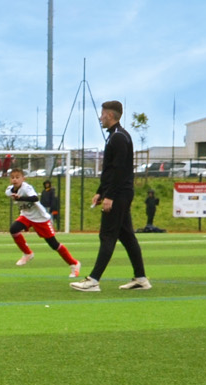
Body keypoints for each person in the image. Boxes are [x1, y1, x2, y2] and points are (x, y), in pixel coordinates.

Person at [71, 100, 148, 291]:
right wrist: (100, 191)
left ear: (111, 115)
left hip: (120, 194)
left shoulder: (119, 137)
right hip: (119, 192)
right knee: (127, 236)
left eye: (102, 113)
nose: (100, 117)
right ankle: (141, 279)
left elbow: (119, 170)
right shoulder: (115, 136)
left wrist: (110, 196)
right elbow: (110, 170)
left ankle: (93, 280)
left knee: (107, 235)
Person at [5, 167, 82, 277]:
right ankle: (28, 253)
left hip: (40, 218)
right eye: (12, 177)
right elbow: (13, 195)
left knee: (54, 244)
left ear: (23, 179)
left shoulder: (27, 188)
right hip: (26, 216)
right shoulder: (9, 191)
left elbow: (35, 198)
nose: (15, 180)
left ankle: (74, 264)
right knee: (13, 229)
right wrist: (18, 198)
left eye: (18, 177)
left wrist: (20, 198)